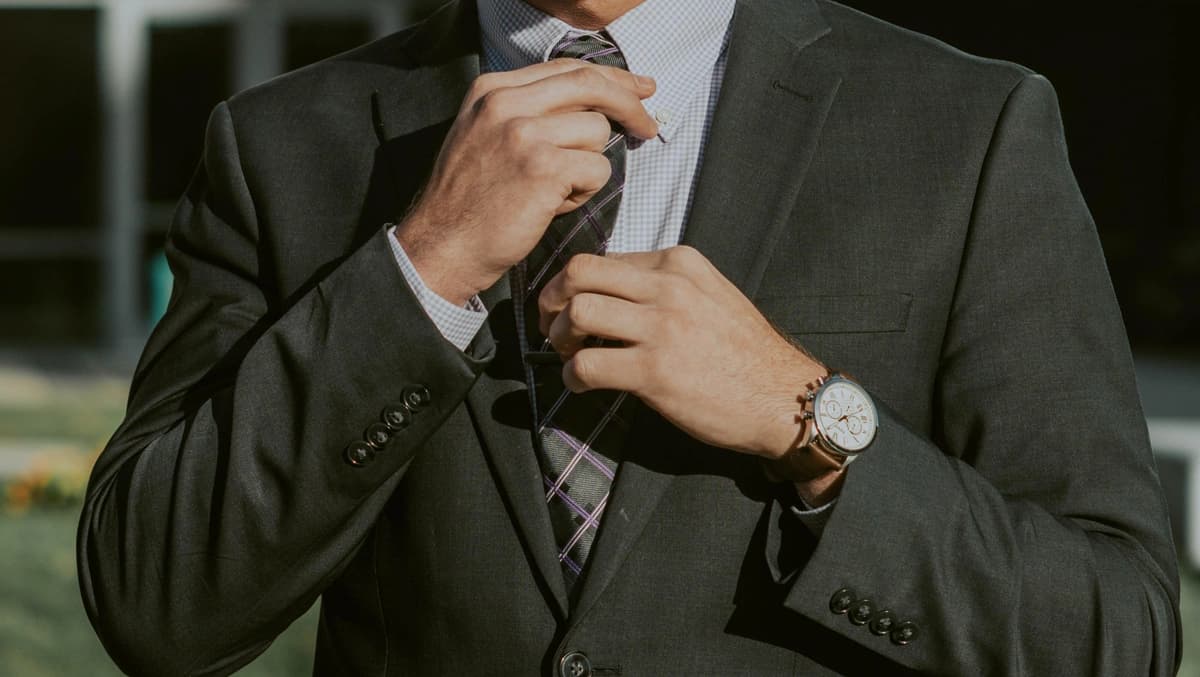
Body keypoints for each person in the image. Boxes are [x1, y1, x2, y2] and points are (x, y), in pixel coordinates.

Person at [77, 0, 1181, 674]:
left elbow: (1111, 631)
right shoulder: (285, 145)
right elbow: (158, 609)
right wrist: (425, 265)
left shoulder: (967, 128)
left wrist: (810, 421)